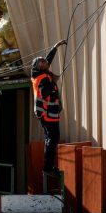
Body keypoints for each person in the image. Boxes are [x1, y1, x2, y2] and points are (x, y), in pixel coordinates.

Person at [31, 39, 67, 174]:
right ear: (39, 66)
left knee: (51, 138)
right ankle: (47, 167)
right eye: (43, 62)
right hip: (46, 112)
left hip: (49, 112)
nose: (46, 62)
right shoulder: (42, 78)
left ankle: (48, 166)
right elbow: (44, 92)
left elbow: (48, 59)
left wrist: (56, 46)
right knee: (53, 138)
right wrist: (52, 85)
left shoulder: (40, 72)